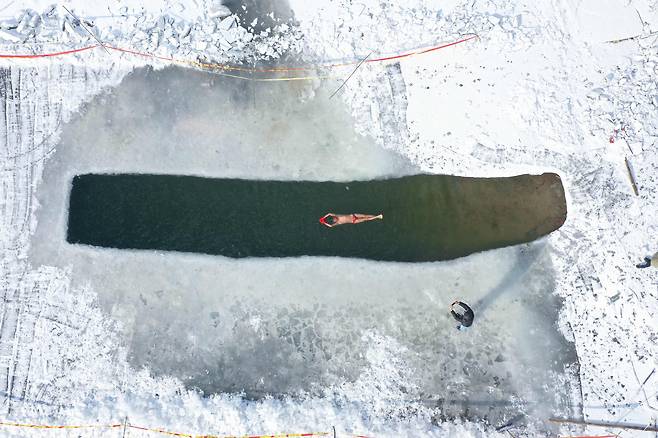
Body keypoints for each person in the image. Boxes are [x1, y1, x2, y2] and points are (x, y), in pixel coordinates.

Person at [319, 213, 383, 228]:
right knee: (366, 219)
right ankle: (378, 217)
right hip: (353, 221)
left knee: (365, 215)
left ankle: (377, 216)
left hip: (353, 215)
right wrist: (324, 222)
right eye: (334, 220)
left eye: (334, 218)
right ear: (335, 221)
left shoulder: (337, 215)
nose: (335, 219)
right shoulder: (338, 222)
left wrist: (324, 217)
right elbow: (330, 226)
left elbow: (329, 213)